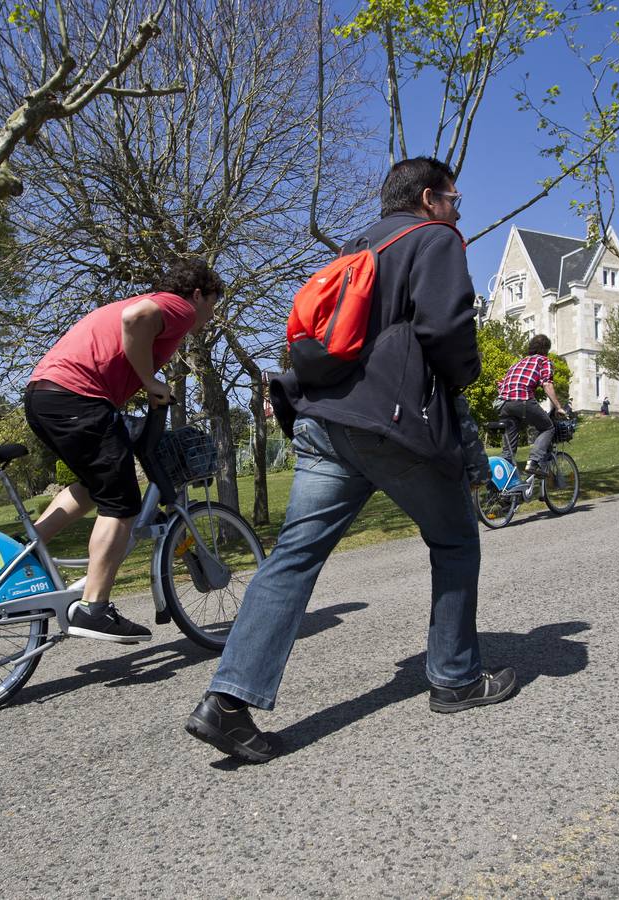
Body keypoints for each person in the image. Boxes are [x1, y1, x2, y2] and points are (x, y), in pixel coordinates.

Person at [185, 156, 517, 764]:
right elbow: (446, 329)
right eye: (453, 199)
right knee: (454, 541)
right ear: (428, 198)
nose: (457, 211)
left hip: (322, 420)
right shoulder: (434, 239)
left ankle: (226, 702)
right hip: (391, 423)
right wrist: (465, 375)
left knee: (293, 557)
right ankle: (455, 677)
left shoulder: (353, 248)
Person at [24, 259, 222, 643]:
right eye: (213, 304)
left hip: (46, 396)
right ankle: (93, 609)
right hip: (78, 398)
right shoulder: (177, 307)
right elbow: (136, 319)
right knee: (123, 504)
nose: (211, 315)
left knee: (94, 487)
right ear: (198, 294)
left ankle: (26, 549)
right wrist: (150, 381)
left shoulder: (149, 305)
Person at [496, 334, 567, 475]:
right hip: (522, 400)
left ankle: (505, 483)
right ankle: (533, 462)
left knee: (508, 452)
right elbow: (547, 384)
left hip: (503, 404)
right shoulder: (543, 361)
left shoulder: (518, 363)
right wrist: (559, 407)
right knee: (548, 427)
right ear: (545, 349)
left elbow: (501, 384)